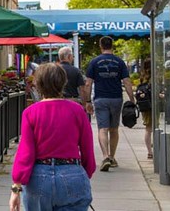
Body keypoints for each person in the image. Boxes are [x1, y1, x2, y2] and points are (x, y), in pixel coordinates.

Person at [10, 63, 95, 211]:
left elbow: (25, 152)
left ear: (38, 84)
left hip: (39, 176)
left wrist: (16, 187)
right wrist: (83, 173)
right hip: (71, 171)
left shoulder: (30, 113)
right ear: (63, 82)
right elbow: (87, 148)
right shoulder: (77, 111)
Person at [85, 36, 136, 172]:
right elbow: (126, 81)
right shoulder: (119, 62)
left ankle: (105, 156)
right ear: (112, 46)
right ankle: (112, 157)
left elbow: (88, 82)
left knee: (103, 129)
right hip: (116, 98)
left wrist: (87, 101)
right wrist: (131, 99)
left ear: (101, 46)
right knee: (114, 129)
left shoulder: (94, 62)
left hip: (100, 99)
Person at [58, 47, 91, 113]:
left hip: (57, 102)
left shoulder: (53, 70)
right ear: (69, 56)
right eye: (72, 56)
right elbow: (82, 89)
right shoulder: (76, 71)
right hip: (72, 101)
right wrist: (84, 104)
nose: (73, 58)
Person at [135, 59, 154, 159]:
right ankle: (151, 151)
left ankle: (149, 151)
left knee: (148, 128)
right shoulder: (154, 77)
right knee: (153, 128)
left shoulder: (142, 77)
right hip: (153, 104)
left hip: (145, 105)